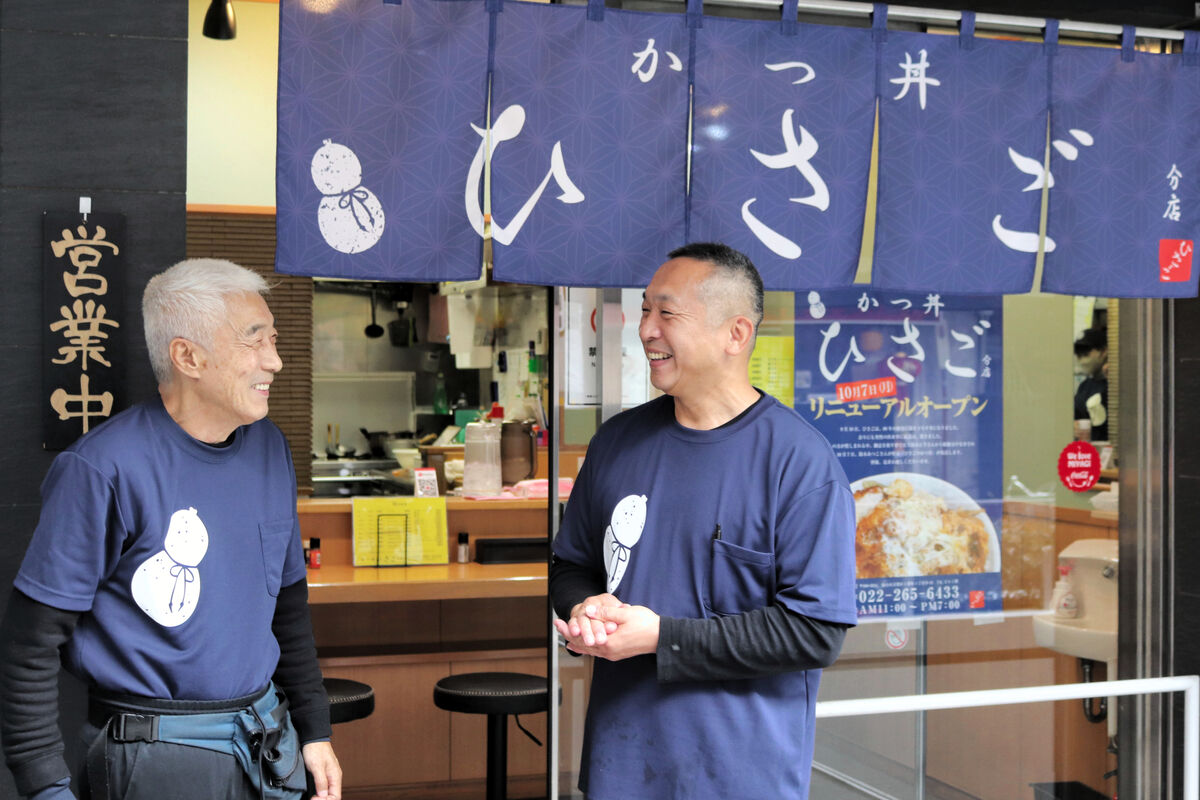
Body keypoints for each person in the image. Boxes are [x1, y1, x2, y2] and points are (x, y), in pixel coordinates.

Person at [0, 259, 341, 800]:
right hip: (151, 756)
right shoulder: (104, 468)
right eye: (254, 342)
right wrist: (43, 785)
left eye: (273, 339)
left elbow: (287, 609)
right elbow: (29, 643)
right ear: (188, 356)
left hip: (267, 742)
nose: (274, 361)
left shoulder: (270, 447)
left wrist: (315, 730)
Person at [550, 242, 858, 799]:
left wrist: (662, 638)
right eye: (644, 310)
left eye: (666, 313)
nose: (645, 329)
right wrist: (583, 608)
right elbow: (571, 564)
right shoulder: (616, 443)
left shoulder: (798, 462)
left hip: (740, 773)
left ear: (735, 334)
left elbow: (816, 632)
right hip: (620, 764)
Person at [1073, 327, 1108, 441]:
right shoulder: (1085, 386)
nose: (1081, 358)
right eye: (1078, 353)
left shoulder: (1115, 385)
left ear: (1103, 352)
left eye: (1085, 353)